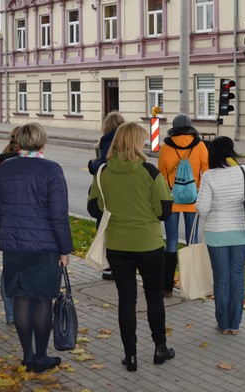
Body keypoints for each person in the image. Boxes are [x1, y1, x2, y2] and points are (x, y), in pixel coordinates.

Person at [87, 122, 175, 372]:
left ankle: (131, 355)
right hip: (148, 244)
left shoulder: (103, 171)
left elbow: (94, 208)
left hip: (117, 245)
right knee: (154, 297)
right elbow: (163, 211)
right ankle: (160, 348)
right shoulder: (149, 171)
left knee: (126, 299)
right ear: (137, 143)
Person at [0, 123, 73, 373]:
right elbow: (58, 215)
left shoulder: (5, 168)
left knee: (20, 297)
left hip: (14, 246)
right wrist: (65, 249)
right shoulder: (51, 170)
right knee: (41, 300)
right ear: (43, 142)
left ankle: (27, 355)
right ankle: (40, 355)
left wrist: (3, 238)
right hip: (44, 247)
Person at [196, 137, 245, 335]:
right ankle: (235, 324)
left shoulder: (209, 176)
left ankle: (223, 324)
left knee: (221, 278)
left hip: (217, 234)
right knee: (237, 277)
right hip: (241, 232)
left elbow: (202, 208)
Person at [157, 113, 208, 297]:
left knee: (171, 242)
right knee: (192, 242)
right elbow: (206, 172)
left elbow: (161, 174)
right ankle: (191, 287)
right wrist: (198, 191)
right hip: (192, 201)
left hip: (172, 200)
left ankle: (167, 287)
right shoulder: (200, 146)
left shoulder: (166, 147)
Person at [88, 111, 125, 281]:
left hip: (107, 191)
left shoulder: (106, 141)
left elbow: (104, 166)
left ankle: (109, 266)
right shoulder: (126, 141)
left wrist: (92, 164)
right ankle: (121, 264)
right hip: (123, 190)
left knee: (105, 226)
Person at [0, 126, 21, 324]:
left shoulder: (1, 162)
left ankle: (11, 312)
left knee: (9, 269)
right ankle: (25, 312)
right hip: (27, 226)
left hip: (7, 224)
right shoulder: (32, 163)